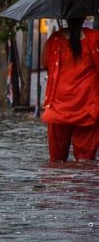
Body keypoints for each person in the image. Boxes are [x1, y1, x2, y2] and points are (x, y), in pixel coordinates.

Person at [41, 16, 99, 162]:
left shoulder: (55, 40)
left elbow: (45, 64)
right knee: (85, 164)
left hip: (58, 109)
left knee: (57, 163)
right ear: (84, 17)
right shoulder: (94, 38)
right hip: (89, 109)